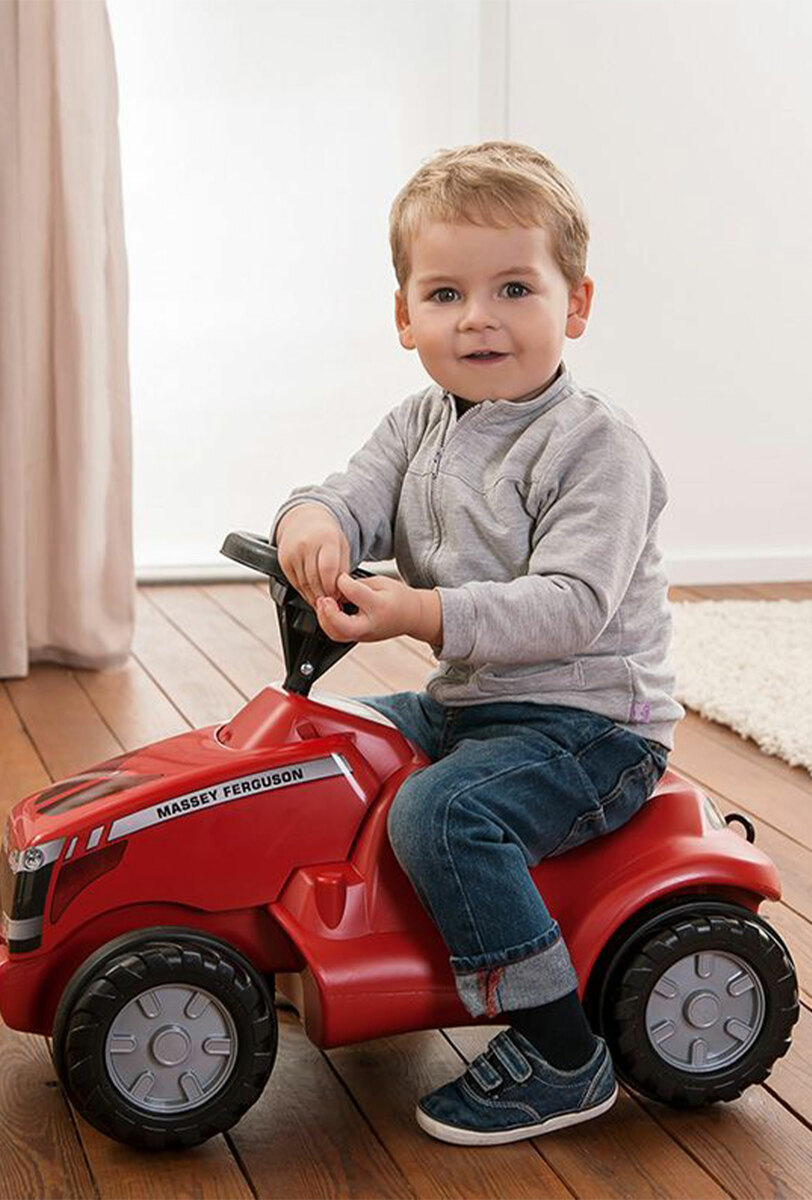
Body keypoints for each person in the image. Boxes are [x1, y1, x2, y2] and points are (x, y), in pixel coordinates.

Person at [269, 141, 684, 1146]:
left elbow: (568, 608)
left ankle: (557, 1050)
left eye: (512, 288)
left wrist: (416, 610)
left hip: (588, 723)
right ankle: (360, 947)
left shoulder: (596, 446)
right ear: (405, 316)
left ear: (575, 306)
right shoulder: (418, 424)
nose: (479, 317)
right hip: (474, 699)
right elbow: (344, 494)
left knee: (441, 814)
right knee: (322, 750)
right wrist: (310, 529)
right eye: (446, 293)